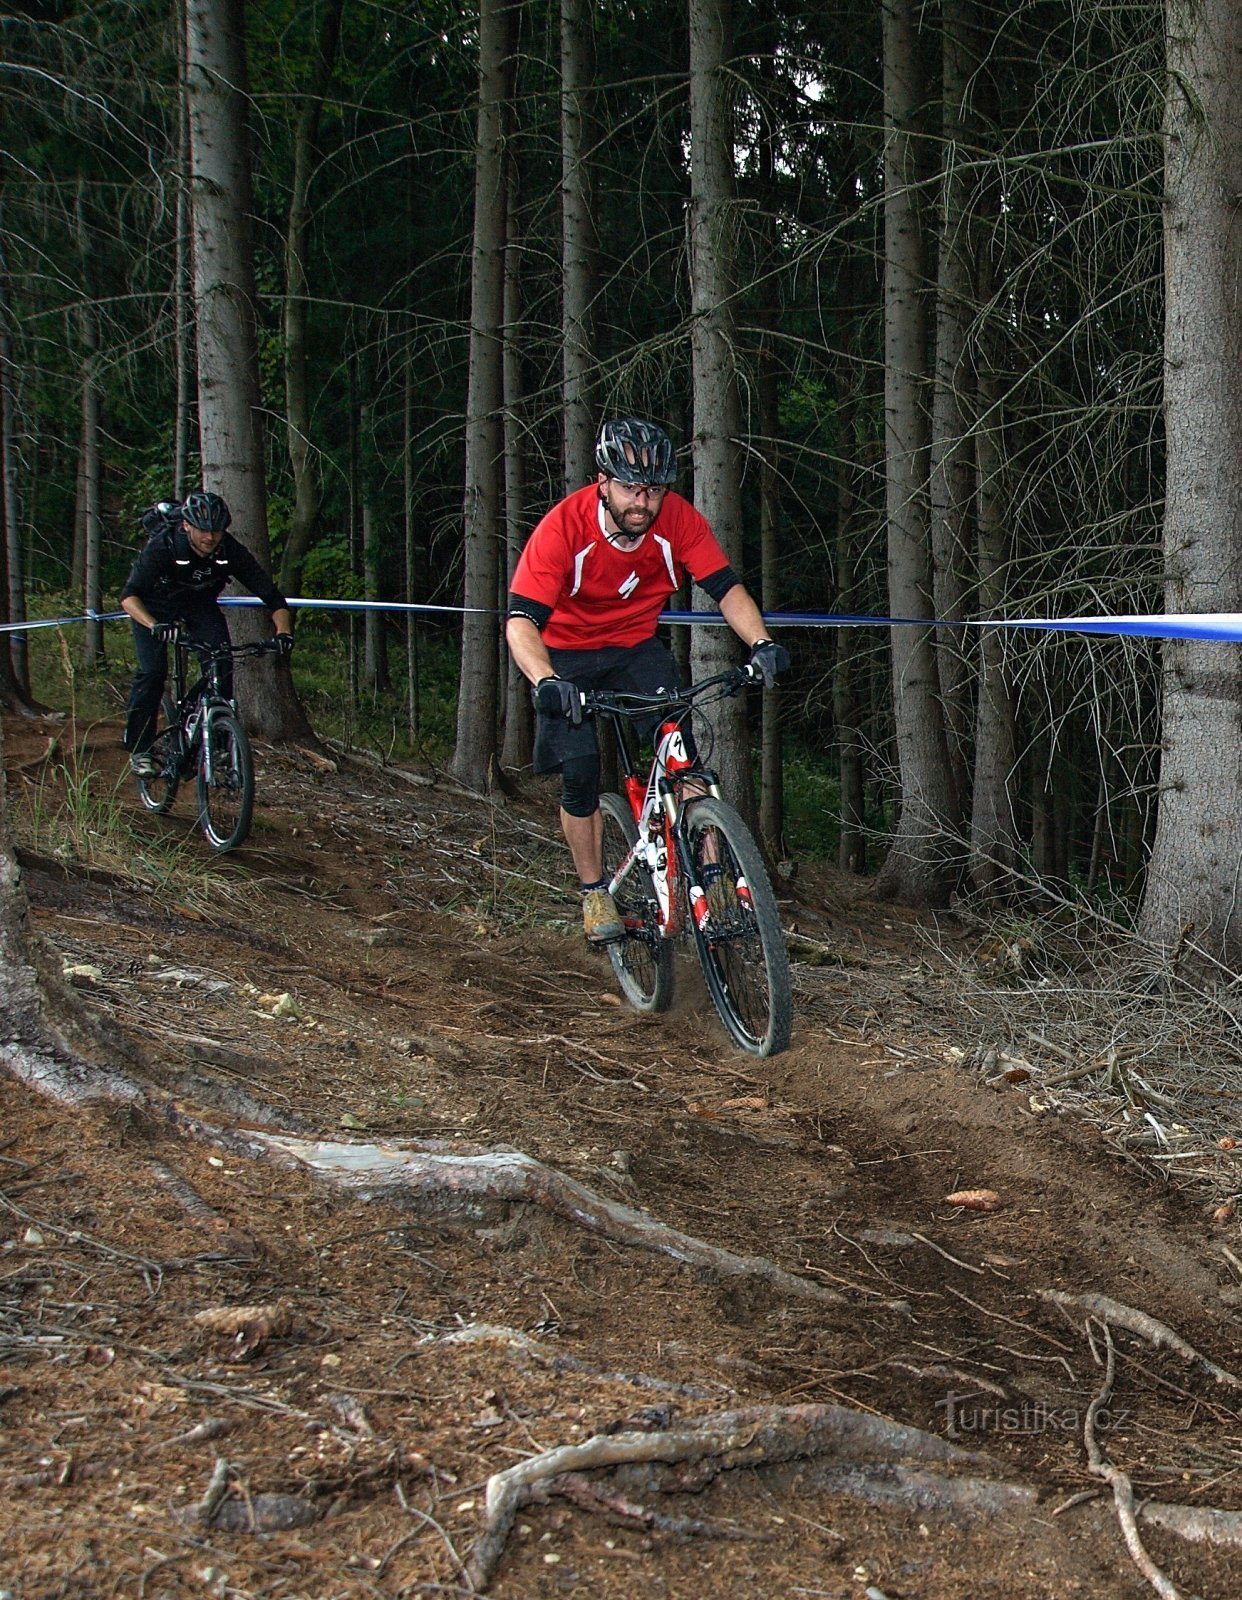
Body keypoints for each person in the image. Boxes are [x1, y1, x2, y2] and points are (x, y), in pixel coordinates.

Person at [506, 416, 789, 943]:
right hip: (564, 653)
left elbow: (726, 588)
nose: (643, 501)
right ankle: (594, 892)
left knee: (681, 755)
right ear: (603, 481)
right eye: (631, 488)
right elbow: (521, 620)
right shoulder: (563, 528)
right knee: (581, 771)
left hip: (635, 647)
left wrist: (761, 642)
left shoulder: (676, 520)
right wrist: (545, 679)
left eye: (654, 490)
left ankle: (714, 877)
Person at [120, 489, 294, 776]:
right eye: (203, 529)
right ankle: (140, 748)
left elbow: (272, 596)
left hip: (198, 604)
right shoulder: (163, 545)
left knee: (221, 662)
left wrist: (283, 632)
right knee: (153, 672)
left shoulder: (229, 550)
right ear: (186, 525)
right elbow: (128, 597)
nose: (210, 538)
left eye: (216, 531)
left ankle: (220, 745)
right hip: (153, 606)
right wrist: (154, 625)